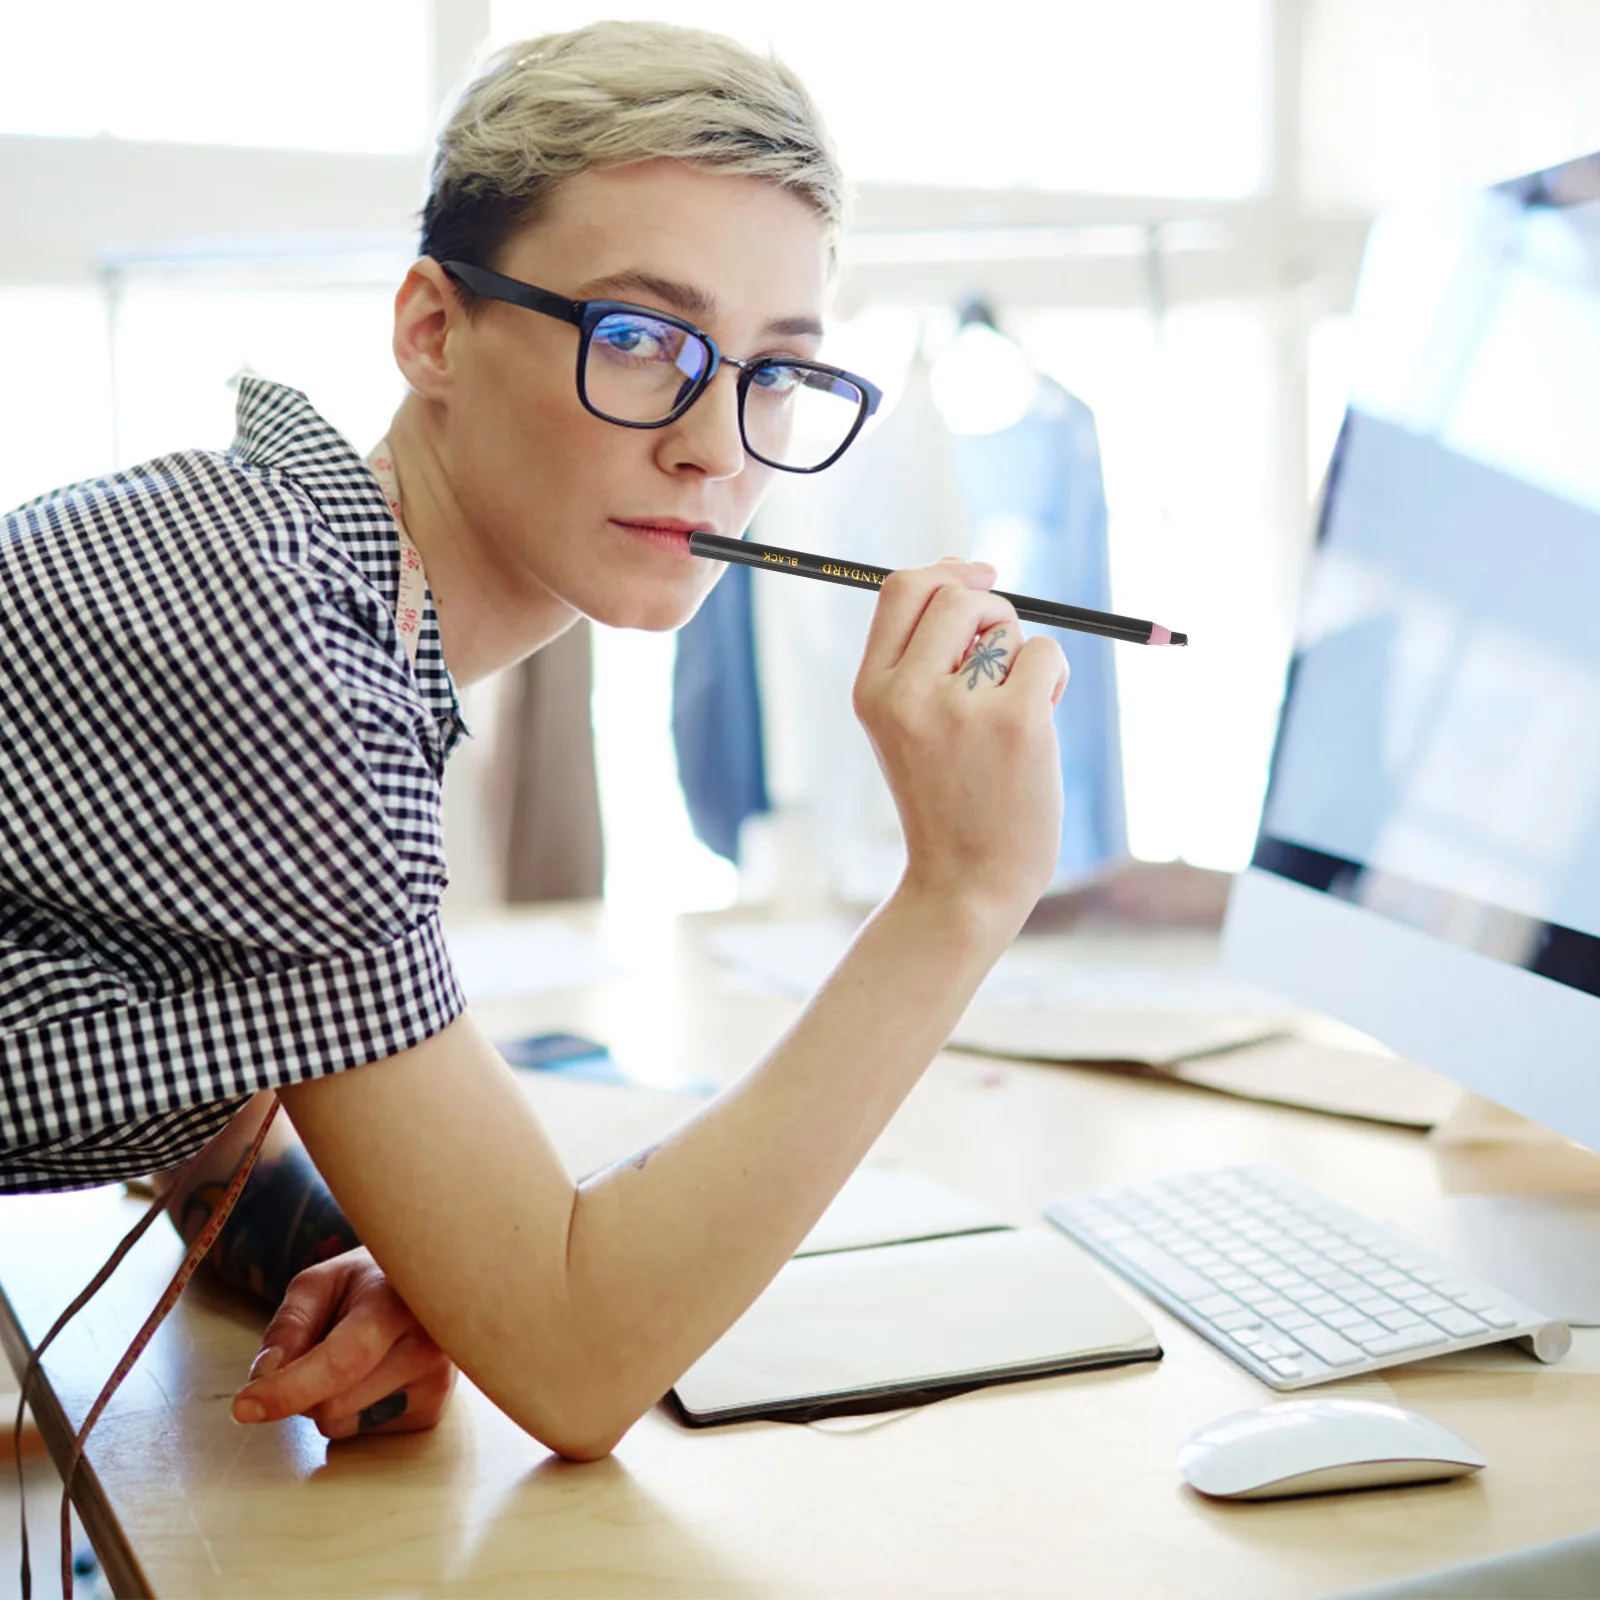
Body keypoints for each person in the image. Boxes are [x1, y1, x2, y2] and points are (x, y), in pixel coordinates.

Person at [0, 21, 1068, 1460]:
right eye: (639, 340)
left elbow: (198, 1075)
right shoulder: (278, 645)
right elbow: (572, 1367)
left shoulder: (298, 573)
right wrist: (962, 893)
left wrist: (422, 1269)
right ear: (434, 328)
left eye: (777, 373)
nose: (718, 450)